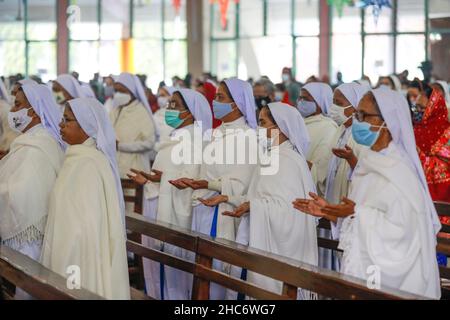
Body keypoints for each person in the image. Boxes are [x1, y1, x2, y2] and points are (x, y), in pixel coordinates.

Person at [294, 88, 442, 299]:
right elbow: (358, 216)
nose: (357, 121)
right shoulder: (370, 163)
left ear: (387, 123)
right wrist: (330, 211)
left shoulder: (400, 172)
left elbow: (406, 233)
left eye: (364, 116)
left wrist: (355, 213)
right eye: (357, 115)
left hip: (393, 277)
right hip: (368, 264)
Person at [200, 102, 318, 299]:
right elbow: (259, 197)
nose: (259, 129)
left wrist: (253, 206)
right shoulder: (271, 156)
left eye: (263, 123)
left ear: (279, 128)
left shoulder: (288, 160)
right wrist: (230, 198)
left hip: (282, 250)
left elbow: (290, 211)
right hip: (259, 238)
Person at [171, 78, 258, 300]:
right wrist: (193, 181)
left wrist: (208, 184)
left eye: (220, 98)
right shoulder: (217, 133)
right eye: (215, 96)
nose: (214, 101)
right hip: (204, 207)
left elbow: (241, 184)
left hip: (224, 213)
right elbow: (206, 169)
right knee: (202, 276)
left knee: (219, 278)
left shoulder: (248, 137)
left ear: (237, 104)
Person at [41, 98, 130, 300]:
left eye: (67, 120)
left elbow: (84, 225)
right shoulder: (76, 156)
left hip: (78, 252)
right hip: (66, 244)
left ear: (86, 126)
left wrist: (68, 253)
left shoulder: (89, 163)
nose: (60, 125)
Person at [128, 89, 213, 300]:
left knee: (178, 277)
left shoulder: (196, 142)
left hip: (180, 215)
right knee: (160, 271)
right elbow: (167, 175)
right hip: (160, 207)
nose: (169, 108)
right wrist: (149, 179)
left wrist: (159, 180)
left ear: (191, 112)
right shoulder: (175, 138)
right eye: (169, 103)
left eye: (175, 104)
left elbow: (191, 179)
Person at [0, 84, 65, 299]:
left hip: (28, 236)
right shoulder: (30, 141)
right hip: (23, 234)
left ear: (34, 112)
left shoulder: (40, 146)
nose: (12, 111)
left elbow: (23, 194)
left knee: (26, 289)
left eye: (18, 105)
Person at [297, 82, 338, 196]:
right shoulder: (298, 123)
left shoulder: (328, 128)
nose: (301, 101)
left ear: (320, 102)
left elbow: (321, 168)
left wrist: (294, 162)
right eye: (300, 97)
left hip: (309, 189)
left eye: (306, 99)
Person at [414, 87, 450, 204]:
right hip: (418, 195)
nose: (417, 112)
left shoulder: (447, 132)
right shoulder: (412, 132)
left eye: (422, 108)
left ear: (433, 109)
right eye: (416, 107)